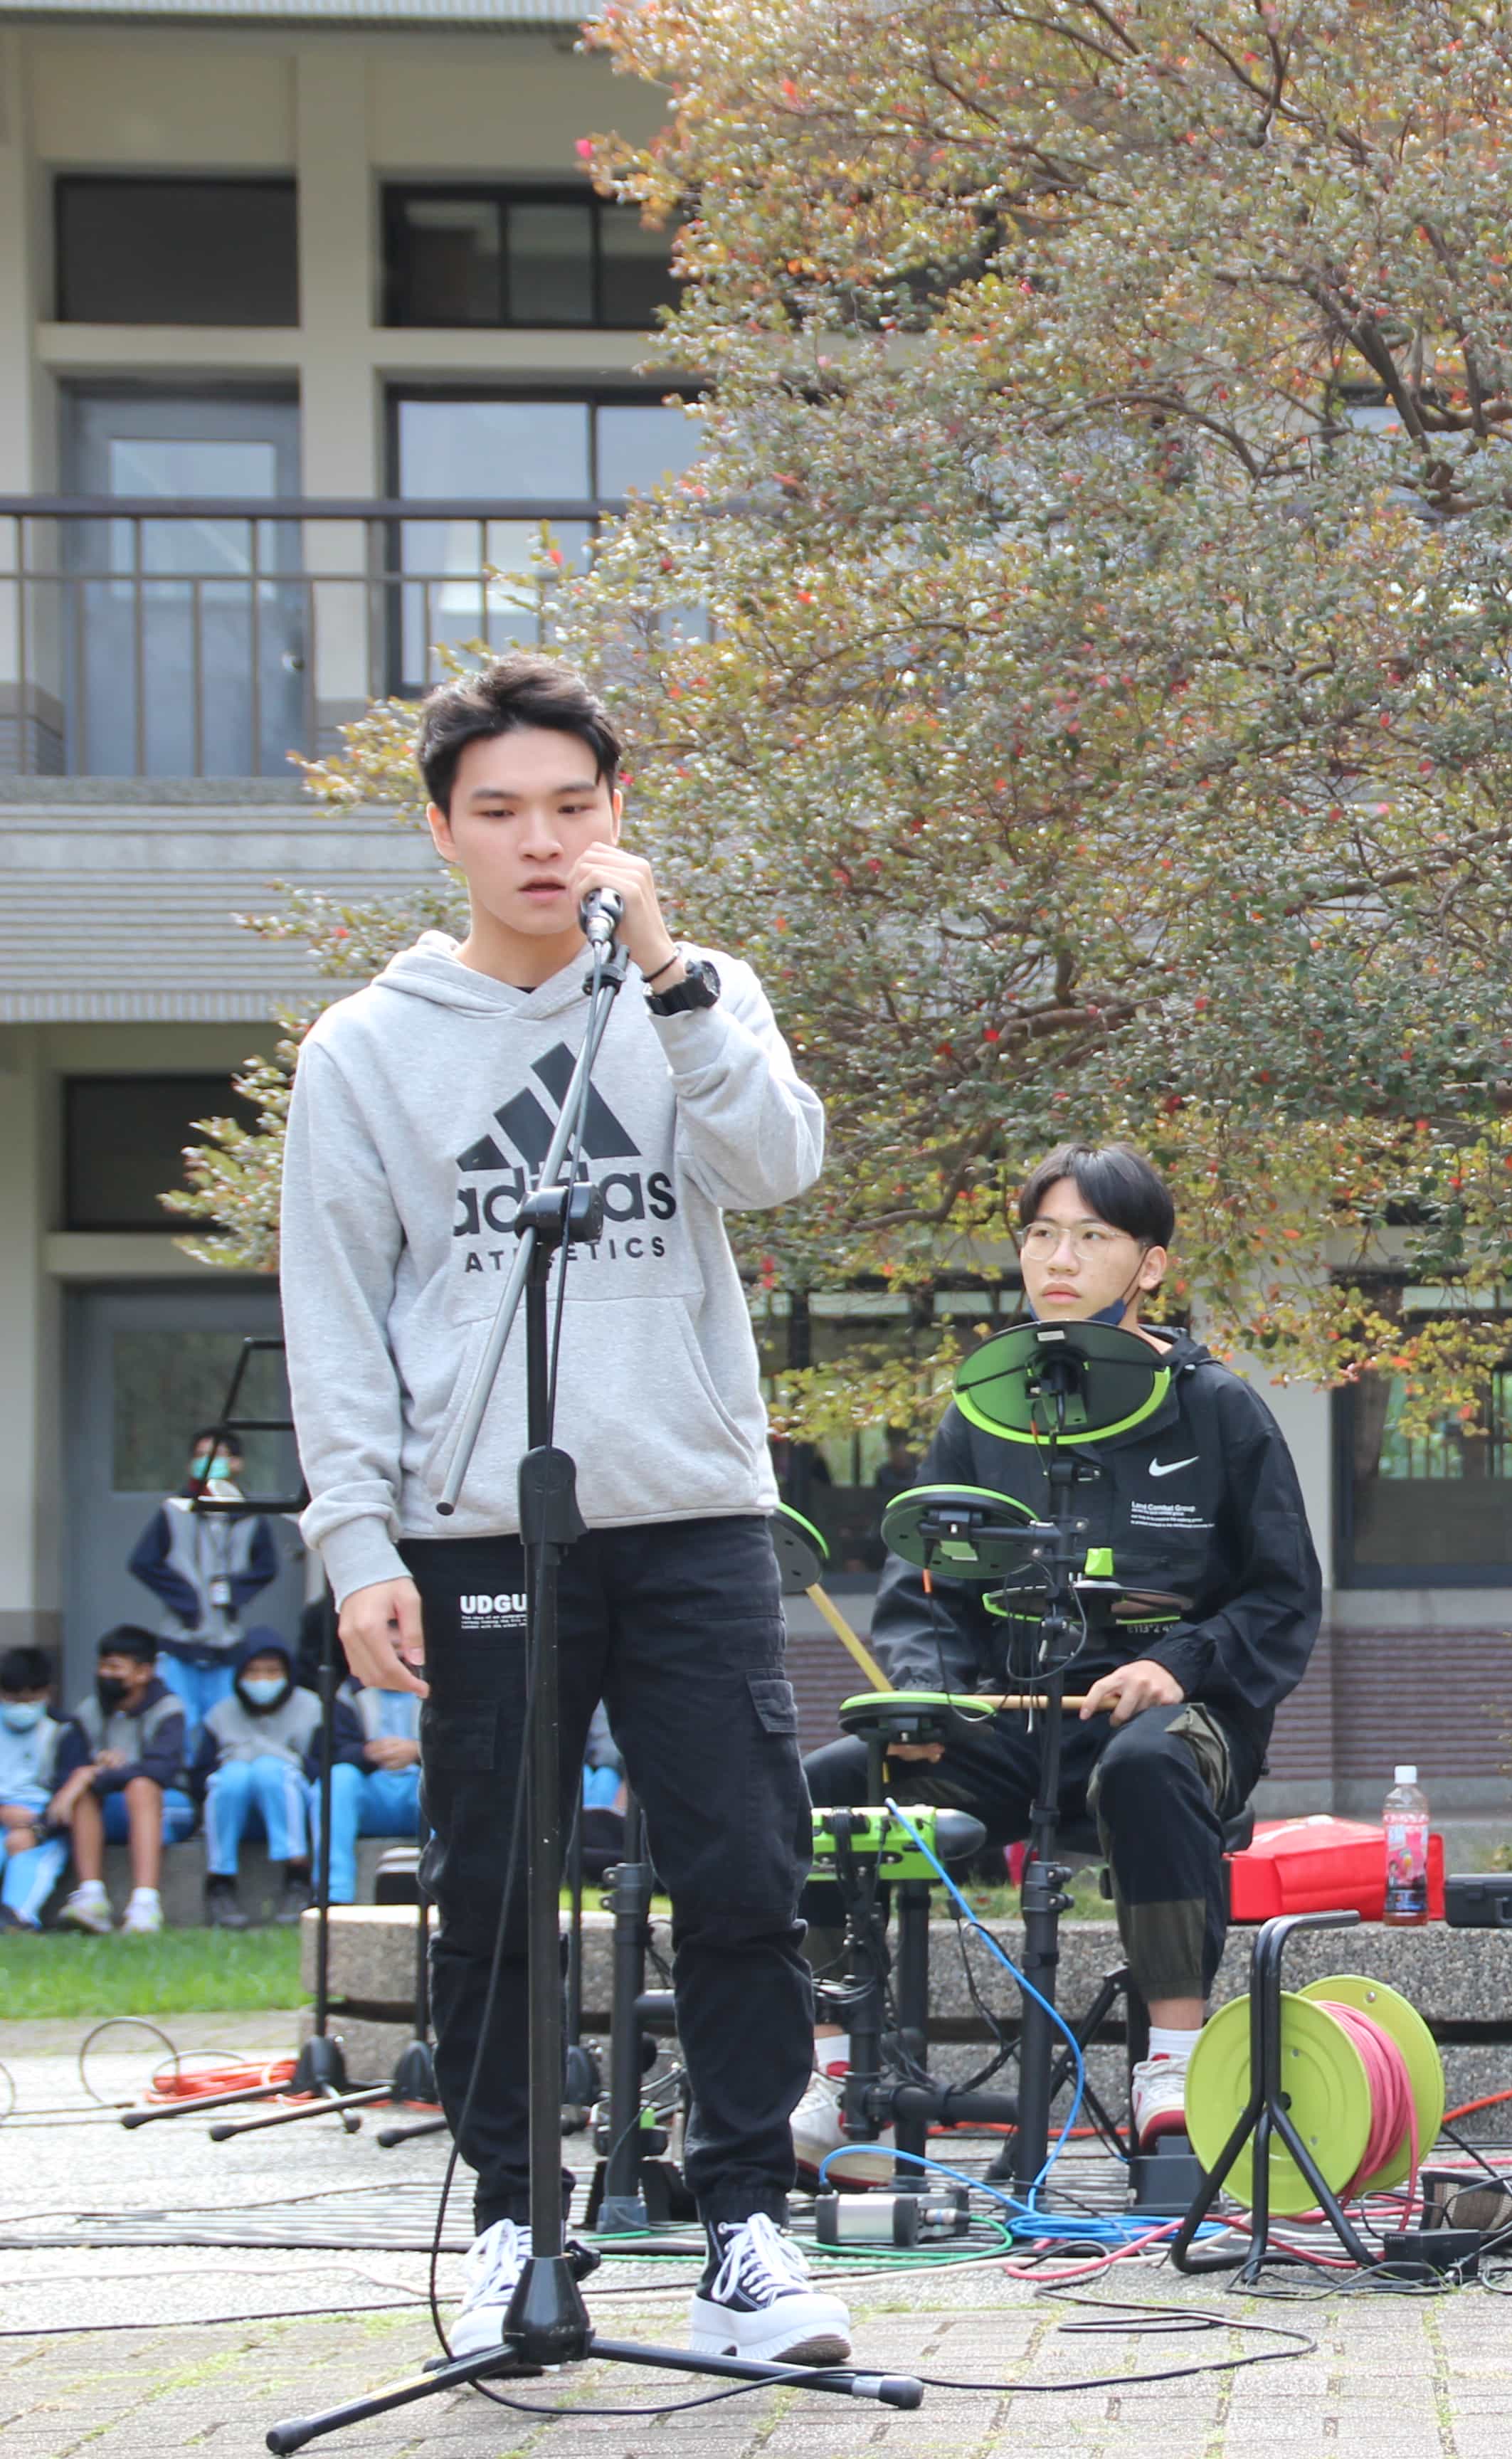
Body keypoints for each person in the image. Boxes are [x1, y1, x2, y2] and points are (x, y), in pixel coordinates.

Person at [276, 653, 847, 2367]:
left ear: (619, 815)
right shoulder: (367, 1049)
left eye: (574, 807)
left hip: (690, 1508)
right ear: (442, 829)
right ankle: (518, 2222)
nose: (543, 842)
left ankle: (744, 2228)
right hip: (475, 1529)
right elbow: (335, 1314)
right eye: (503, 811)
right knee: (498, 1886)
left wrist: (669, 976)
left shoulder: (697, 992)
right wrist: (355, 1543)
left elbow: (778, 1167)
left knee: (742, 1865)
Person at [799, 1141, 1323, 2176]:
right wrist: (929, 1702)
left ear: (1151, 1264)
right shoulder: (982, 1411)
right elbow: (925, 1589)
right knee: (823, 1788)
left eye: (1091, 1236)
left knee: (1147, 1765)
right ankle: (840, 2071)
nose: (1060, 1259)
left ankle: (1171, 2065)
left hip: (1178, 1719)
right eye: (1041, 1234)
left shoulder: (1218, 1408)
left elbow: (1283, 1594)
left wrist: (1181, 1665)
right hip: (1015, 1721)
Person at [127, 1427, 285, 1725]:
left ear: (237, 1463)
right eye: (200, 1455)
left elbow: (266, 1568)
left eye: (216, 1455)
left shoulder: (251, 1516)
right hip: (179, 1640)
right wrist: (186, 1598)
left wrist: (233, 1594)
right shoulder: (175, 1510)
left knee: (222, 1722)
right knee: (179, 1720)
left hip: (227, 1642)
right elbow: (143, 1562)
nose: (207, 1461)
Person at [47, 1630, 192, 1934]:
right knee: (83, 1790)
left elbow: (161, 1770)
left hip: (169, 1808)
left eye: (115, 1667)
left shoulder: (168, 1709)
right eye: (102, 1666)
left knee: (141, 1785)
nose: (105, 1674)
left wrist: (97, 1773)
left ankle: (145, 1904)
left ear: (143, 1672)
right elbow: (69, 1769)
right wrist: (89, 1773)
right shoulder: (88, 1711)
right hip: (111, 1809)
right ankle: (91, 1898)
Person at [195, 1639, 322, 1927]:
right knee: (234, 1775)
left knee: (269, 1770)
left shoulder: (312, 1707)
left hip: (293, 1806)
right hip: (234, 1811)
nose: (262, 1680)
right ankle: (220, 1880)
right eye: (253, 1672)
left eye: (272, 1671)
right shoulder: (220, 1714)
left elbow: (319, 1767)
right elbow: (200, 1776)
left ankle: (297, 1874)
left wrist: (273, 1756)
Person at [0, 1647, 85, 1930]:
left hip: (45, 1820)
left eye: (31, 1699)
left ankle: (16, 1916)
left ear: (48, 1692)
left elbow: (71, 1796)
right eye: (13, 1699)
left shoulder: (64, 1731)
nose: (22, 1707)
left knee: (32, 1858)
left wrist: (37, 1831)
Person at [326, 1676, 425, 1907]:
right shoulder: (348, 1693)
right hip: (371, 1793)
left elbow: (459, 1744)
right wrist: (366, 1753)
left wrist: (419, 1750)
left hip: (421, 1789)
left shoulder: (441, 1684)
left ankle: (442, 1889)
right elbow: (326, 1752)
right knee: (339, 1777)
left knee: (447, 1779)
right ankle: (335, 1893)